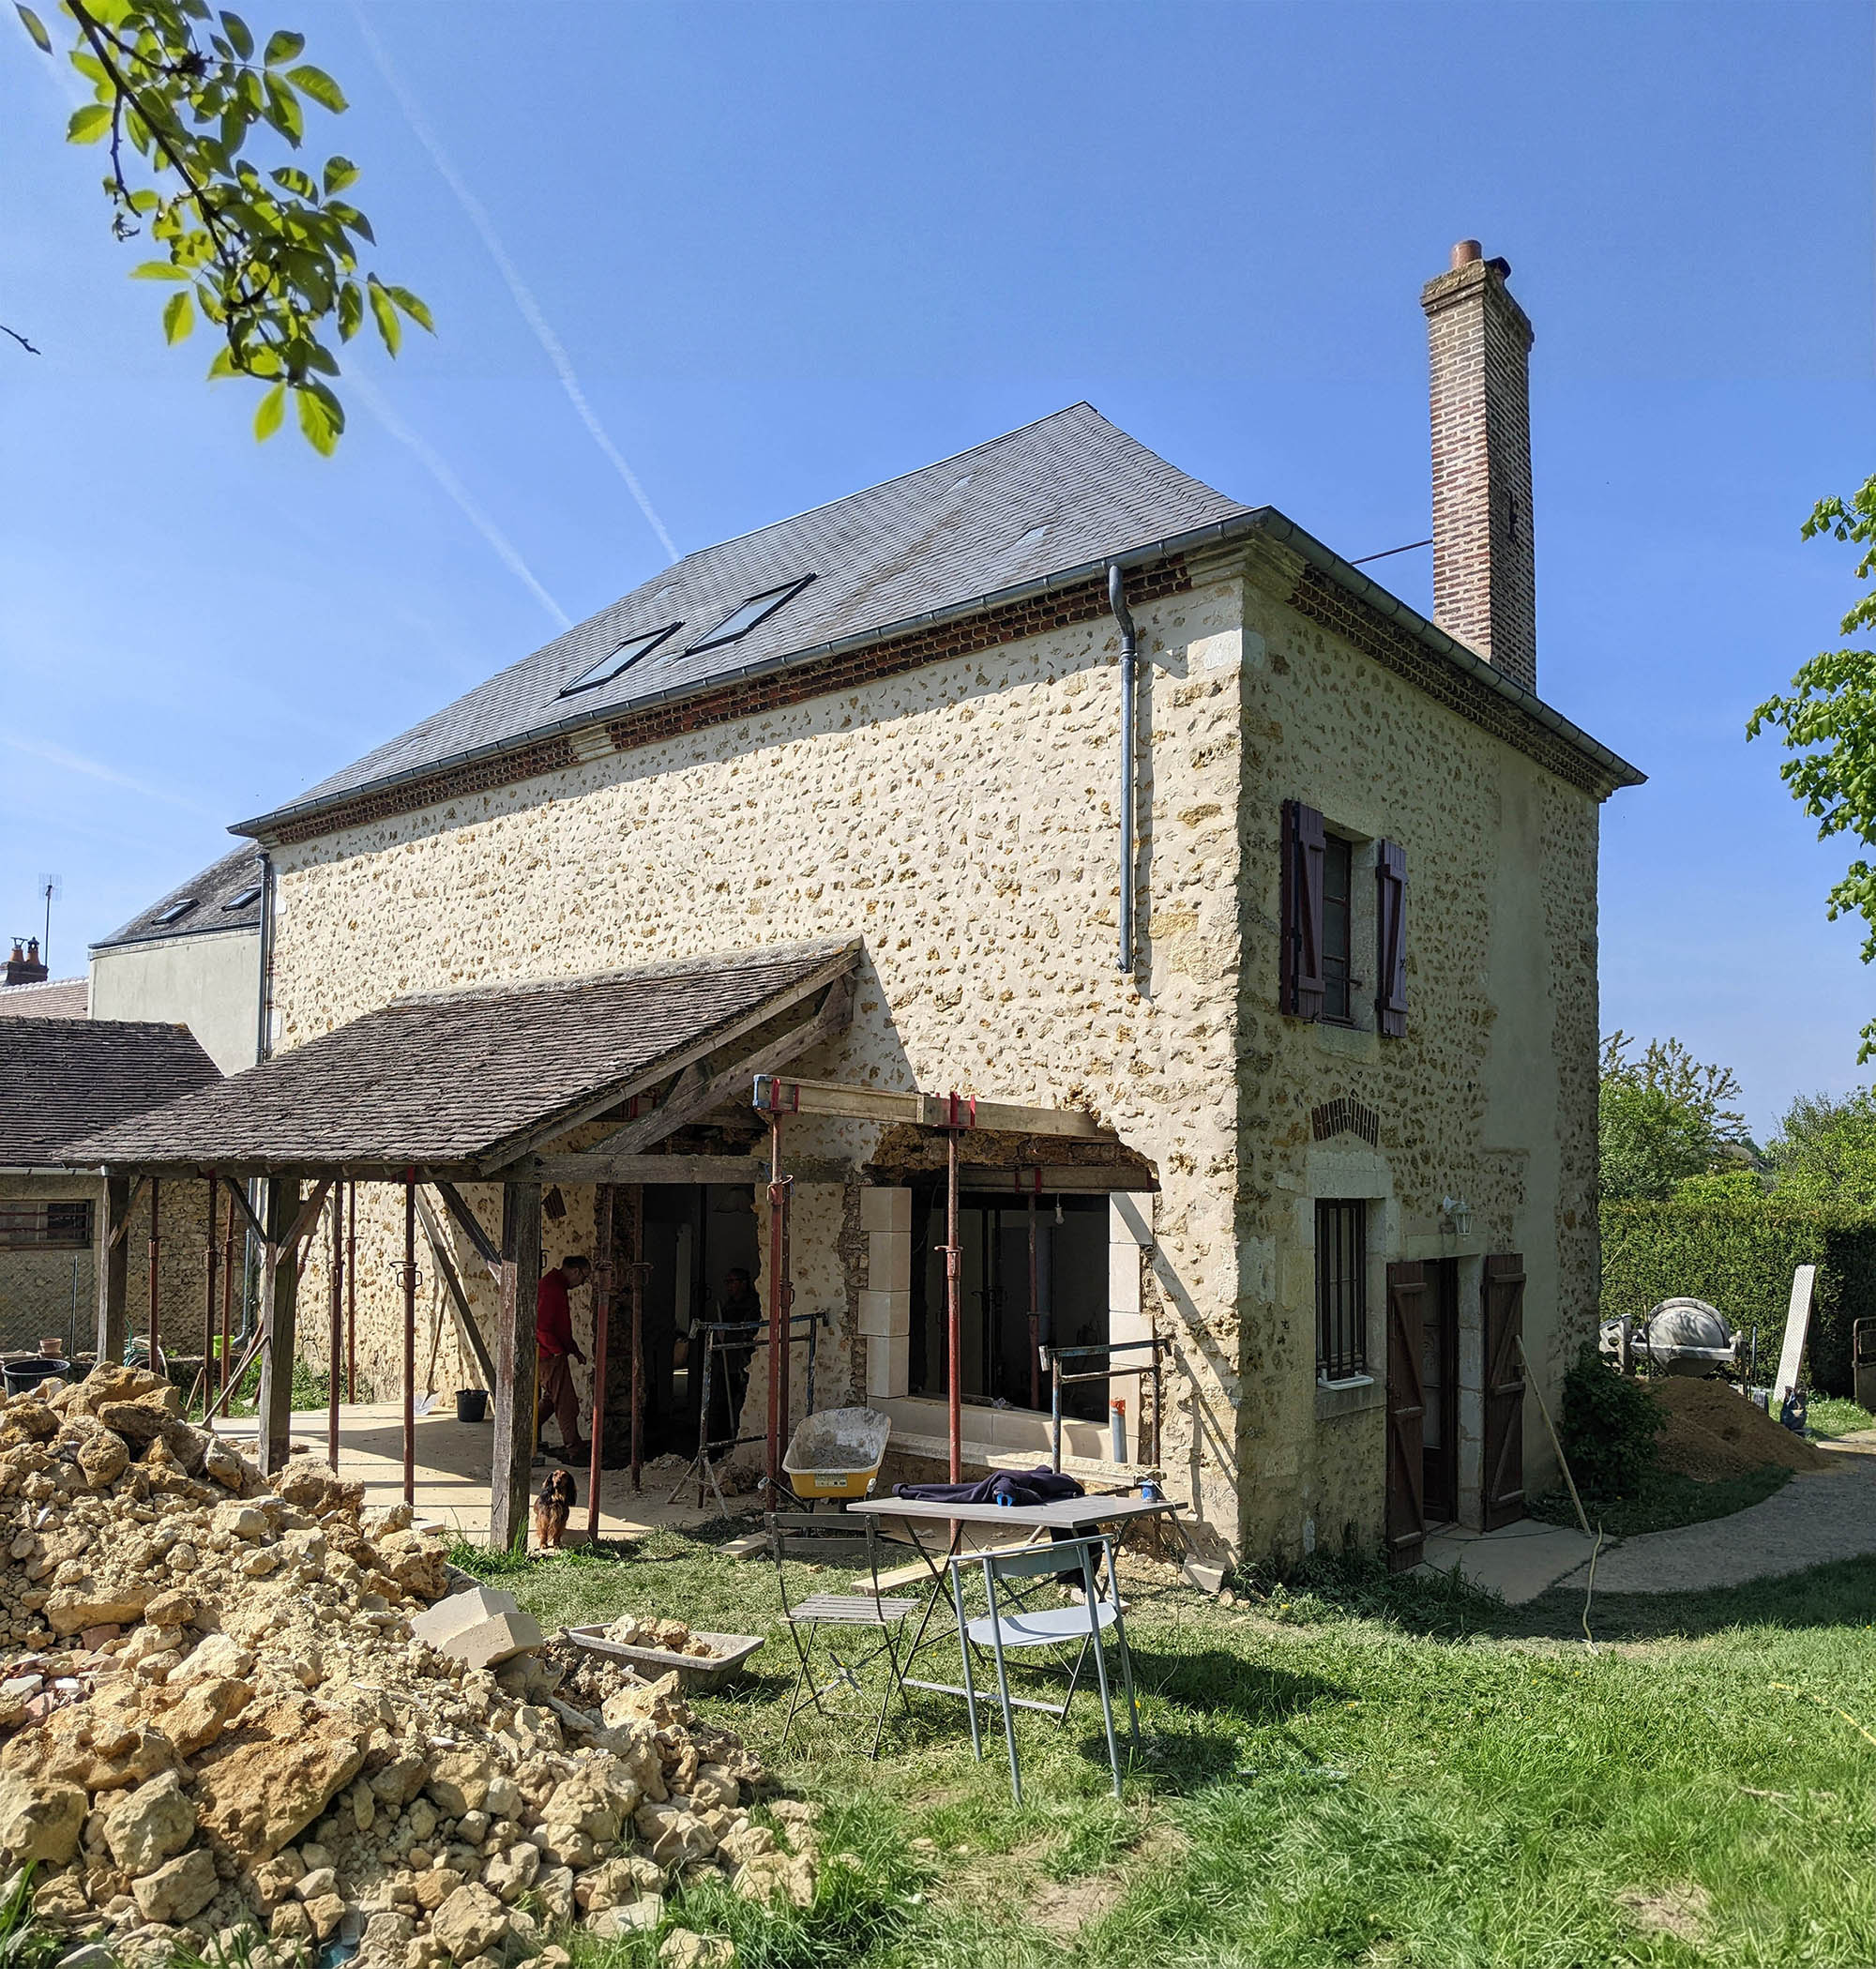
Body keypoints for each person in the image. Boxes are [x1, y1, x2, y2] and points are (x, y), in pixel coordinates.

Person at [536, 1254, 591, 1463]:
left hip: (552, 1352)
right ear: (575, 1271)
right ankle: (574, 1449)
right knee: (566, 1402)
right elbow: (540, 1326)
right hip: (549, 1355)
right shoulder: (551, 1289)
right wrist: (557, 1351)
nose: (582, 1283)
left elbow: (560, 1326)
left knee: (552, 1399)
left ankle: (525, 1433)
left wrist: (573, 1350)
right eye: (584, 1278)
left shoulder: (555, 1286)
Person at [718, 1267, 763, 1429]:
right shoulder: (728, 1305)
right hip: (728, 1360)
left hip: (744, 1359)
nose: (729, 1286)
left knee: (744, 1399)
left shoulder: (753, 1305)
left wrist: (730, 1335)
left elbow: (750, 1331)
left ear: (743, 1283)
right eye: (727, 1282)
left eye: (732, 1281)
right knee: (724, 1400)